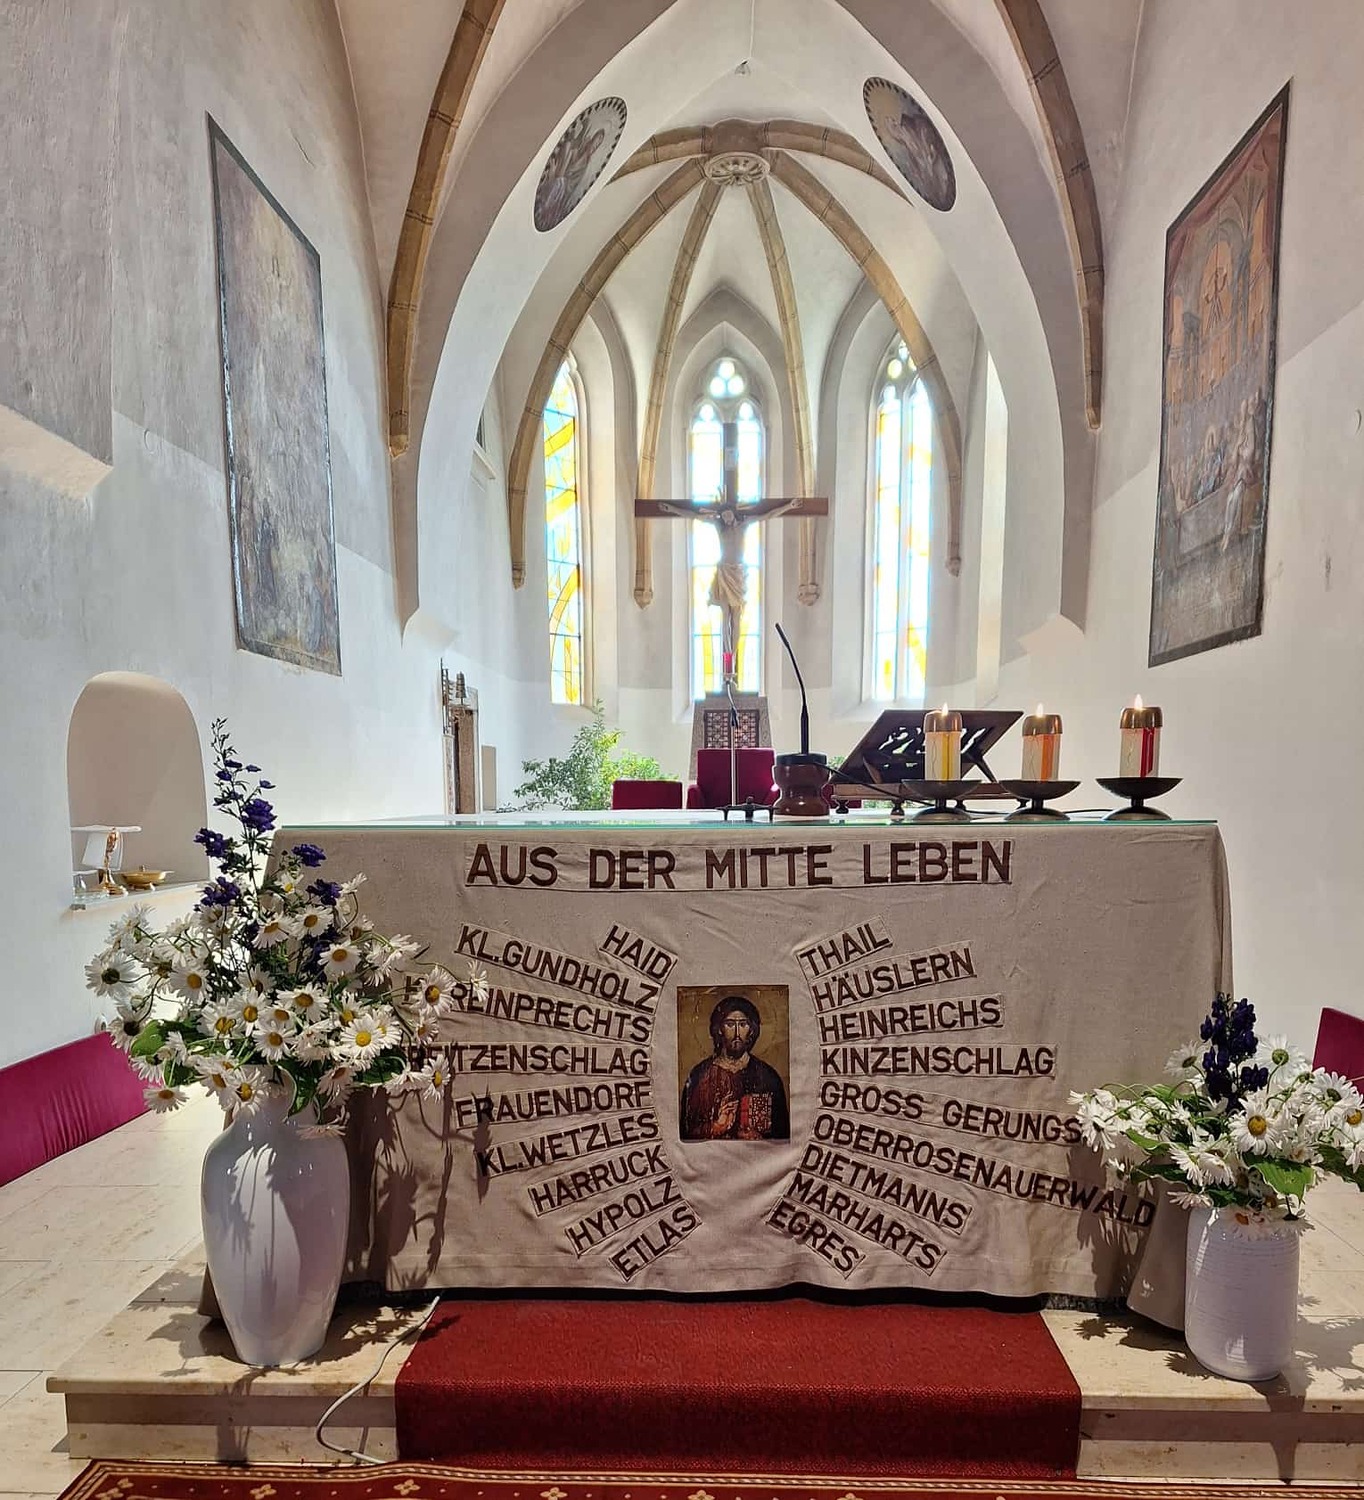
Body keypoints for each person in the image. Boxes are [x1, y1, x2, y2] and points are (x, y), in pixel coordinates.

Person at [679, 995, 789, 1141]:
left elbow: (783, 1135)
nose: (737, 1033)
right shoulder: (700, 1075)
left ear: (751, 1030)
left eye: (743, 1024)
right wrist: (716, 1127)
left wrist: (759, 1138)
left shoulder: (768, 1077)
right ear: (719, 1029)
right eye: (730, 1024)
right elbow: (685, 1133)